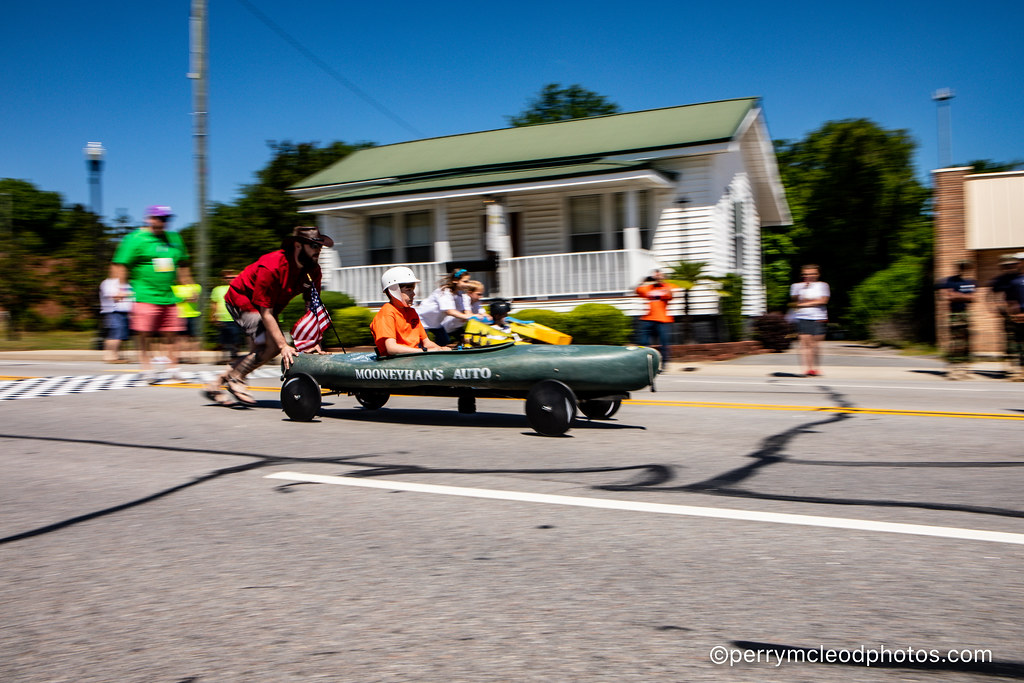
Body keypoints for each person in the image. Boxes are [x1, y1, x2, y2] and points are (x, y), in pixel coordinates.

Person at [202, 226, 333, 406]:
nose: (318, 250)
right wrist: (283, 346)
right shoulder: (271, 266)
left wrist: (315, 341)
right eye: (313, 246)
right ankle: (236, 378)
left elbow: (311, 308)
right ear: (297, 246)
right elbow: (266, 312)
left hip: (268, 309)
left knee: (261, 351)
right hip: (242, 301)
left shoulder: (313, 270)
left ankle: (215, 385)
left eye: (320, 246)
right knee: (271, 347)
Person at [111, 205, 192, 380]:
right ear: (150, 218)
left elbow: (182, 264)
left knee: (172, 332)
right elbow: (121, 264)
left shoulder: (174, 238)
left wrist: (188, 285)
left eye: (166, 219)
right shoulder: (135, 239)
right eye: (159, 218)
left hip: (169, 295)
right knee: (145, 333)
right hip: (145, 294)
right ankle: (146, 367)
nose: (163, 222)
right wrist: (121, 288)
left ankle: (172, 367)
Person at [371, 266, 443, 356]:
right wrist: (424, 351)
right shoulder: (387, 313)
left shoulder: (411, 312)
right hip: (393, 362)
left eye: (413, 289)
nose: (413, 294)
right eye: (408, 290)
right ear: (393, 291)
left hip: (413, 358)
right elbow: (391, 348)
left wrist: (441, 350)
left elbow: (427, 343)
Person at [935, 260, 976, 380]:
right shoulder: (951, 280)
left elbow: (973, 297)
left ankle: (964, 370)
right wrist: (963, 296)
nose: (963, 270)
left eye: (965, 267)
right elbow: (948, 296)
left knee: (966, 343)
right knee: (955, 343)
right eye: (961, 267)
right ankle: (953, 370)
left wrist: (958, 295)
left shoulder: (970, 282)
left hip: (966, 315)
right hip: (954, 315)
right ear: (958, 268)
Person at [789, 264, 830, 377]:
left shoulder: (823, 285)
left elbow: (823, 300)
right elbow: (795, 302)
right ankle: (808, 369)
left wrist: (805, 303)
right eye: (806, 274)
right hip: (803, 317)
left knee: (815, 344)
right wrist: (808, 299)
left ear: (817, 274)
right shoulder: (796, 286)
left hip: (819, 317)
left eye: (812, 274)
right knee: (805, 344)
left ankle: (816, 367)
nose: (809, 276)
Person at [988, 255, 1023, 380]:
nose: (1009, 267)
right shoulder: (1001, 280)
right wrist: (1000, 308)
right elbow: (992, 295)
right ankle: (1012, 369)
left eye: (1012, 264)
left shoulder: (1019, 278)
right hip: (1011, 315)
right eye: (1006, 265)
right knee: (1011, 342)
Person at [416, 267, 472, 346]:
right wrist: (466, 317)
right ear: (455, 280)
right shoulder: (444, 291)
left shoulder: (462, 295)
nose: (468, 284)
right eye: (465, 281)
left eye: (468, 281)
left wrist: (471, 316)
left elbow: (467, 311)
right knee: (420, 345)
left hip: (436, 323)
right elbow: (449, 311)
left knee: (444, 341)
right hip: (422, 320)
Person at [635, 270, 674, 369]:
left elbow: (670, 295)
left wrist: (662, 280)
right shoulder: (648, 288)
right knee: (643, 343)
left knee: (664, 343)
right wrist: (645, 280)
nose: (657, 277)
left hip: (662, 320)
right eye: (655, 276)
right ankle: (646, 363)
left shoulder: (666, 287)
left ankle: (664, 363)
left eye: (659, 275)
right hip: (647, 319)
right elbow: (637, 290)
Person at [99, 273, 134, 363]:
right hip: (113, 312)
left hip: (125, 312)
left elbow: (132, 297)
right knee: (115, 334)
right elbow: (114, 296)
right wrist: (128, 294)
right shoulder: (109, 283)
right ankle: (109, 356)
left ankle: (116, 356)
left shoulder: (127, 283)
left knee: (121, 335)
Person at [209, 269, 242, 362]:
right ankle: (224, 358)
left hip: (234, 317)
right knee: (223, 339)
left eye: (231, 277)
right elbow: (214, 303)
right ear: (223, 279)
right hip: (222, 318)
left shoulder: (238, 288)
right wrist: (212, 315)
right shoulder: (217, 289)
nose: (229, 279)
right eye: (226, 277)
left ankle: (234, 356)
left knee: (235, 338)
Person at [441, 279, 485, 343]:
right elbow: (468, 314)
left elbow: (483, 313)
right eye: (478, 294)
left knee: (469, 340)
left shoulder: (476, 302)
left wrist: (484, 316)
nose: (481, 297)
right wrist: (477, 316)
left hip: (457, 328)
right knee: (444, 344)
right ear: (470, 293)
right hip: (447, 327)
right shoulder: (465, 298)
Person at [172, 282, 202, 363]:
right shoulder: (174, 287)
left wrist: (182, 299)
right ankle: (180, 357)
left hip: (193, 315)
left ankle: (194, 358)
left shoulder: (195, 286)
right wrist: (187, 298)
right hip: (179, 315)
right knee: (179, 338)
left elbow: (195, 298)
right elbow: (173, 299)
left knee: (193, 337)